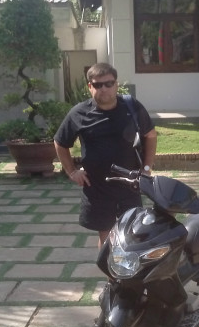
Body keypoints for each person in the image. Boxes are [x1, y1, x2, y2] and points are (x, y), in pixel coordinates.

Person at [54, 62, 158, 247]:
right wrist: (72, 171)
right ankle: (108, 267)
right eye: (98, 85)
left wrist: (147, 168)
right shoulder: (79, 113)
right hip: (97, 187)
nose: (104, 89)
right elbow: (60, 142)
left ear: (116, 84)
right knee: (106, 236)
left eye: (109, 83)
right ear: (90, 87)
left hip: (129, 184)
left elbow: (150, 135)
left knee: (132, 234)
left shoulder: (132, 107)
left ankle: (128, 265)